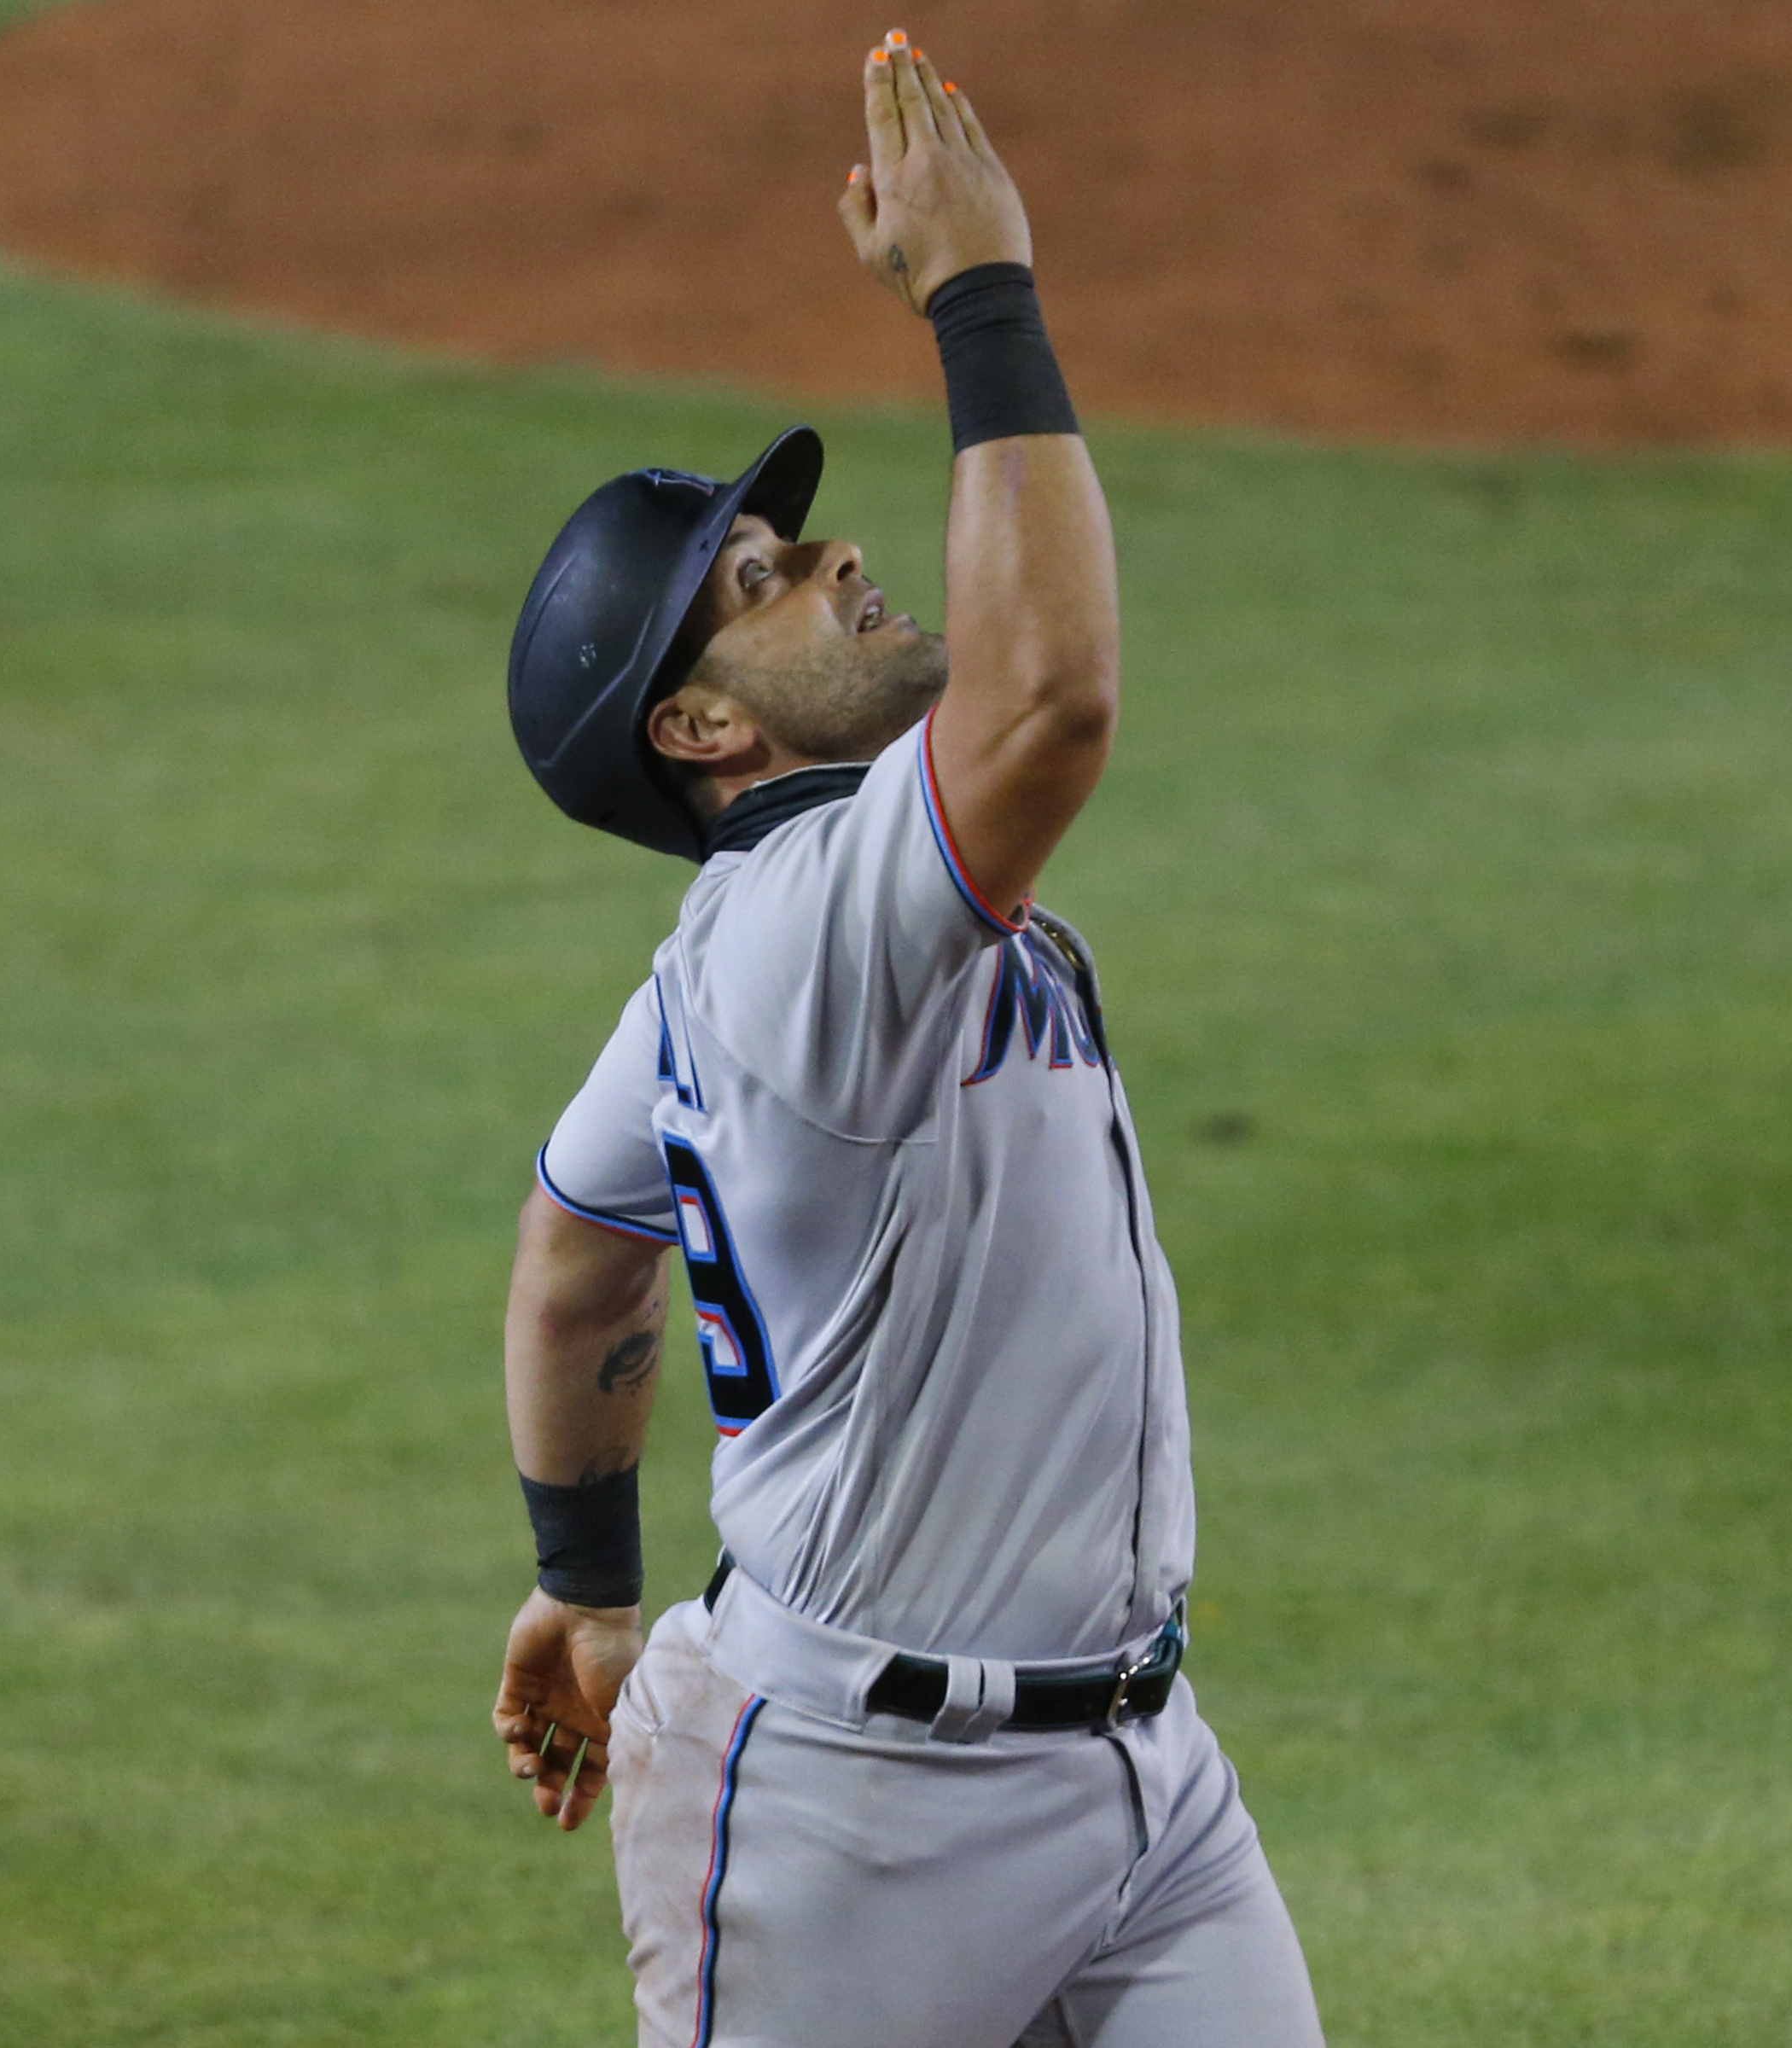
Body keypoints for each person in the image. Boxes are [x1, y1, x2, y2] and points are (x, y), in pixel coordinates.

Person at [481, 31, 1325, 2048]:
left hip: (1143, 1782)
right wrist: (982, 294)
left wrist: (587, 1573)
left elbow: (576, 1251)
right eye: (762, 584)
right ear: (701, 734)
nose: (838, 557)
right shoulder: (804, 931)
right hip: (850, 1828)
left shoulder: (734, 963)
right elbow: (1051, 708)